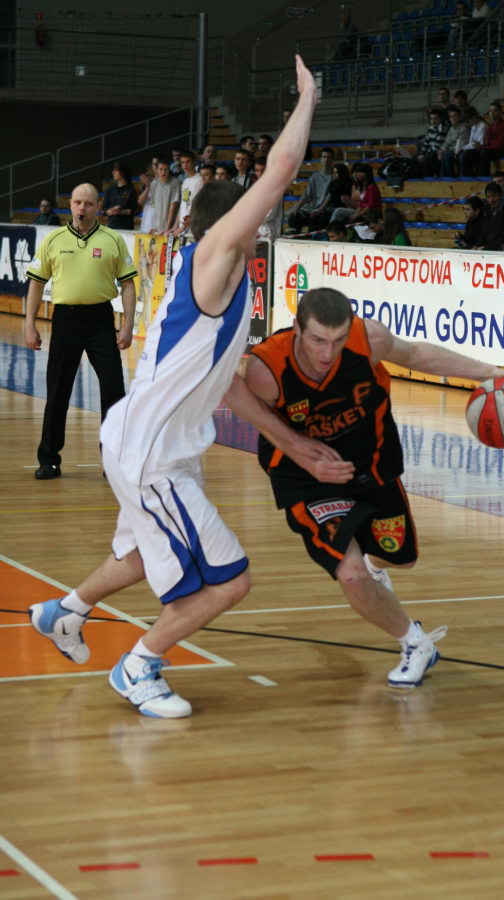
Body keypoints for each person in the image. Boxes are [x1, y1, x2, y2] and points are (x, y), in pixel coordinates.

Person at [27, 57, 348, 718]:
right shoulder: (212, 260)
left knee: (140, 554)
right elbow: (282, 170)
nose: (263, 223)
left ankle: (65, 610)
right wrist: (308, 99)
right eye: (253, 219)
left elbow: (228, 389)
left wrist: (296, 445)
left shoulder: (226, 281)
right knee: (229, 582)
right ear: (233, 226)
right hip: (153, 452)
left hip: (144, 441)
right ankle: (139, 666)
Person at [244, 288, 504, 689]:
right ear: (296, 328)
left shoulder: (369, 339)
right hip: (308, 478)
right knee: (350, 574)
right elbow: (258, 418)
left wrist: (490, 372)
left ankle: (373, 570)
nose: (327, 353)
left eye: (337, 340)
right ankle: (415, 643)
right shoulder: (267, 368)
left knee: (401, 558)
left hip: (372, 461)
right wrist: (303, 455)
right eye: (317, 340)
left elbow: (417, 355)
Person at [24, 183, 136, 480]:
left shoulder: (113, 240)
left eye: (87, 203)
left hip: (101, 320)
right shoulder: (53, 239)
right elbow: (36, 283)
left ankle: (113, 462)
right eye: (77, 202)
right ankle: (49, 459)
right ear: (70, 205)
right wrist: (29, 324)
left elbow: (128, 284)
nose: (81, 208)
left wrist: (128, 325)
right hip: (65, 321)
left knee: (114, 391)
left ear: (97, 206)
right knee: (57, 391)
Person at [287, 147, 334, 232]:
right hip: (311, 207)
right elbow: (307, 195)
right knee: (293, 215)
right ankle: (296, 235)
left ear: (332, 160)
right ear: (321, 159)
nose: (326, 160)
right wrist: (297, 208)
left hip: (324, 209)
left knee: (315, 218)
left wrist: (319, 210)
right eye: (324, 157)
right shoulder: (314, 177)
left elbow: (330, 197)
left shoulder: (334, 177)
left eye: (329, 157)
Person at [475, 181, 504, 251]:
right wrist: (476, 245)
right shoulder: (487, 209)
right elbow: (483, 232)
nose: (491, 200)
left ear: (501, 195)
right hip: (490, 247)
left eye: (494, 196)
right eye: (488, 197)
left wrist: (486, 247)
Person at [145, 158, 180, 233]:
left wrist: (167, 229)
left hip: (172, 229)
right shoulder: (153, 184)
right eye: (161, 169)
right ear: (156, 170)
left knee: (170, 240)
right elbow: (155, 208)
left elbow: (173, 207)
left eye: (166, 169)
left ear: (169, 170)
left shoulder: (175, 182)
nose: (163, 172)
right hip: (159, 228)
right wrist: (154, 227)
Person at [254, 156, 283, 242]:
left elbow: (270, 214)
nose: (259, 174)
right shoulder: (255, 187)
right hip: (256, 232)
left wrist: (250, 219)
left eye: (263, 170)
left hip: (270, 233)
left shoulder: (276, 188)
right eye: (257, 170)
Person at [174, 150, 202, 236]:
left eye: (188, 162)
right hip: (182, 228)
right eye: (183, 162)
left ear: (194, 162)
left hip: (193, 227)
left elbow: (197, 206)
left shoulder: (200, 180)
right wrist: (175, 226)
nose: (185, 165)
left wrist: (183, 227)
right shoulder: (185, 182)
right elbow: (183, 204)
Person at [438, 105, 470, 176]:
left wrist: (446, 150)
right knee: (436, 154)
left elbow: (461, 145)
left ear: (459, 117)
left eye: (455, 116)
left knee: (447, 154)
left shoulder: (464, 127)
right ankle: (440, 177)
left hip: (460, 150)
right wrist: (441, 150)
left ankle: (449, 178)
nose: (453, 118)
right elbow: (446, 142)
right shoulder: (451, 128)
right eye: (451, 116)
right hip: (450, 150)